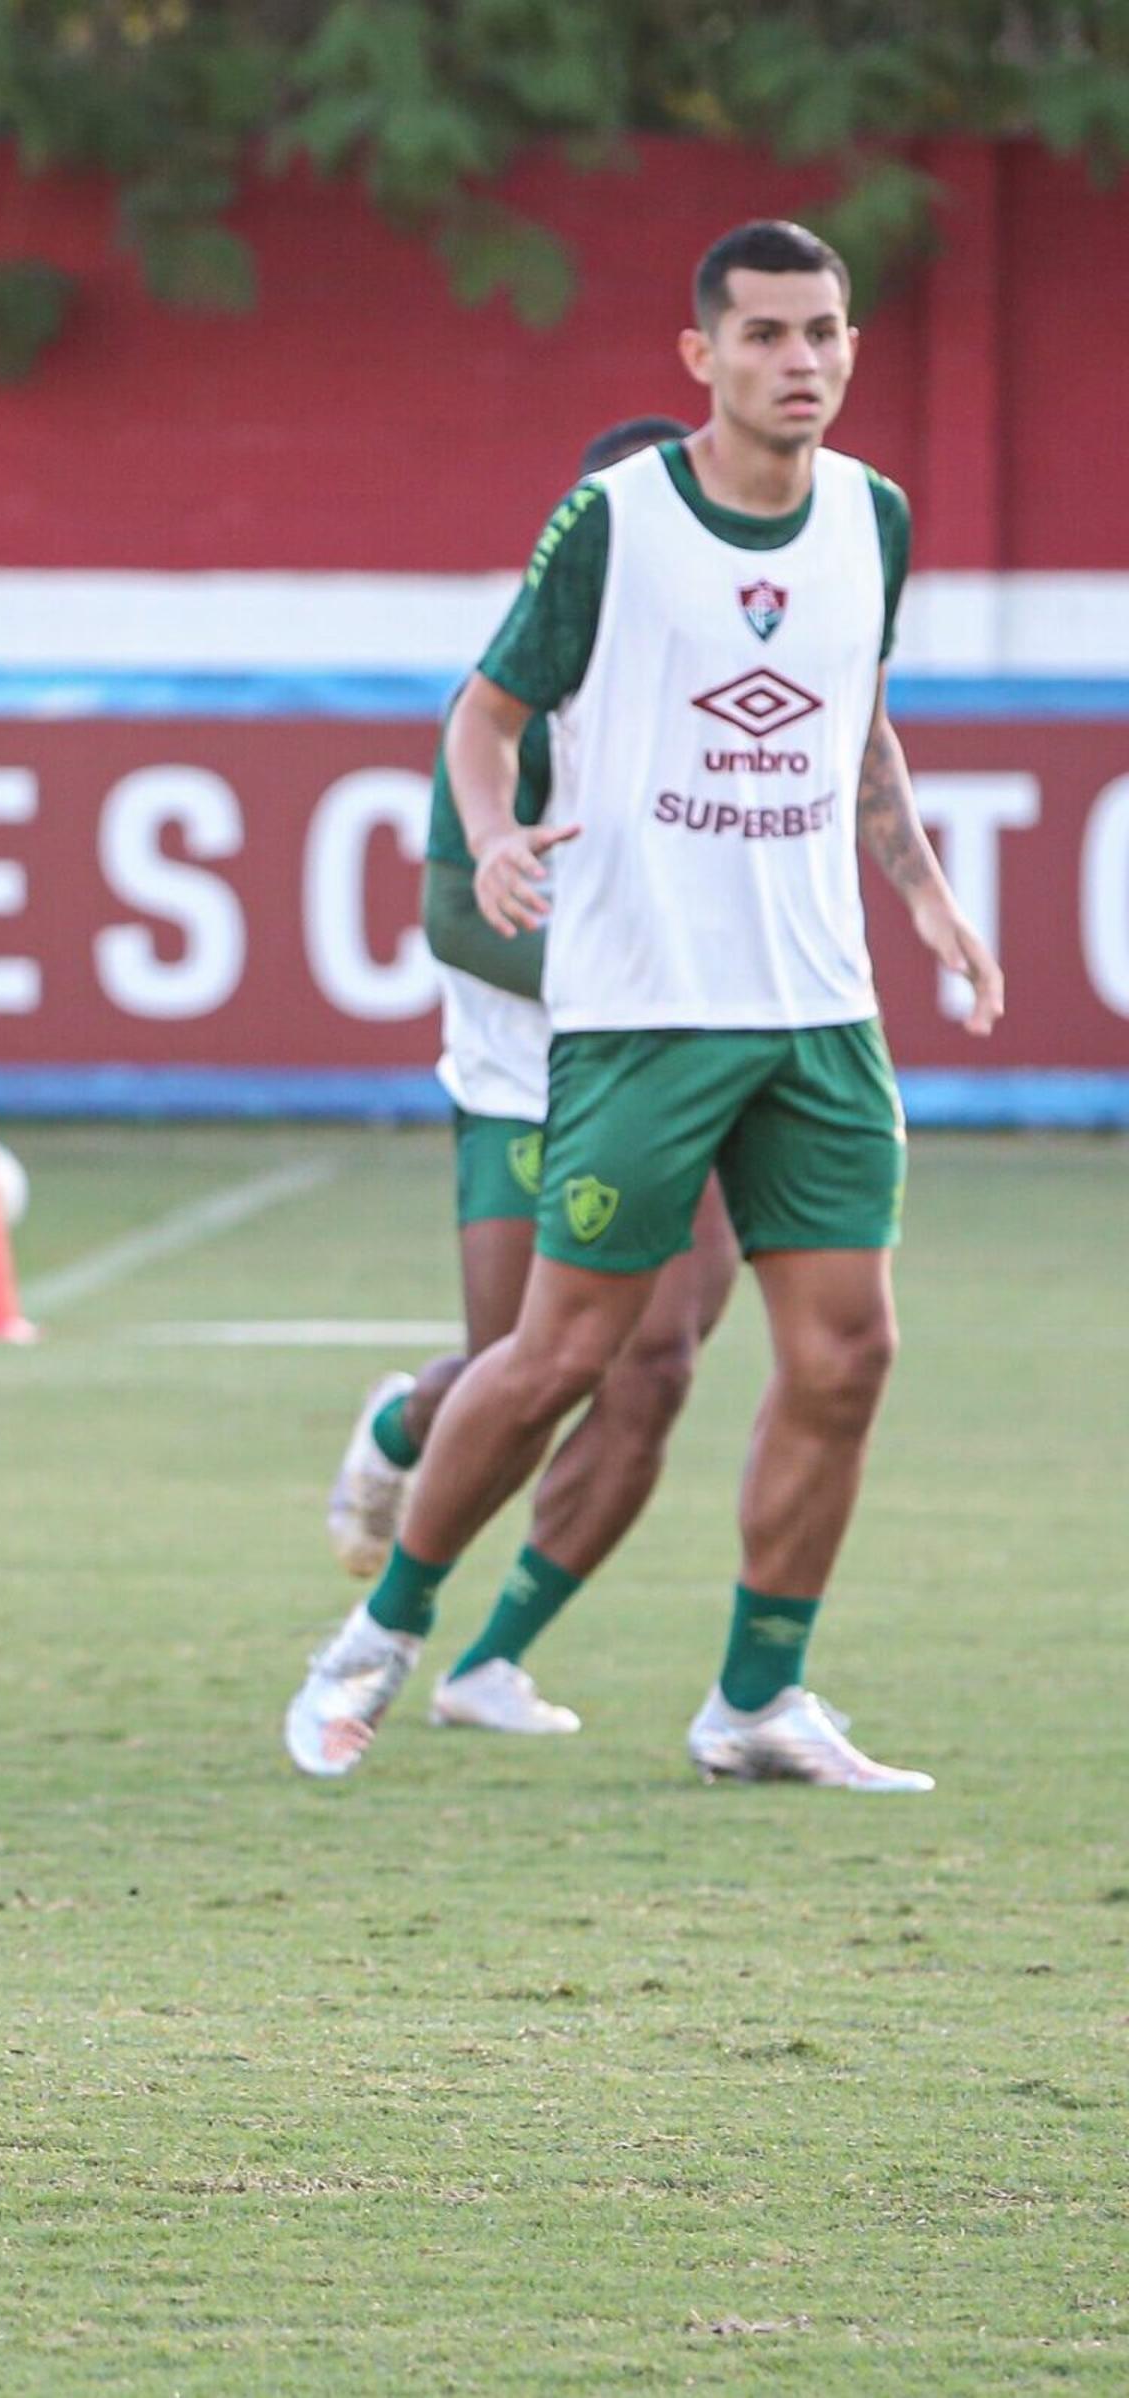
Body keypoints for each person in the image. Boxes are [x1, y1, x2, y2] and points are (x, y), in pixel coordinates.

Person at [285, 221, 1003, 1790]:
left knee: (847, 1353)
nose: (799, 360)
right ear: (703, 354)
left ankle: (757, 1696)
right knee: (553, 1362)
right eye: (764, 335)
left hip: (818, 1010)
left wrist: (928, 890)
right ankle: (384, 1634)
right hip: (641, 1013)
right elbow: (483, 718)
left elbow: (856, 722)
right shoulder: (613, 520)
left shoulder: (875, 516)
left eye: (823, 333)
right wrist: (491, 836)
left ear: (850, 348)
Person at [317, 414, 747, 1741]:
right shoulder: (511, 697)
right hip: (528, 1083)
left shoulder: (722, 685)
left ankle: (490, 1660)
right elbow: (454, 916)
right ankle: (404, 1426)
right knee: (531, 1365)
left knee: (660, 1363)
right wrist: (618, 976)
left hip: (675, 1064)